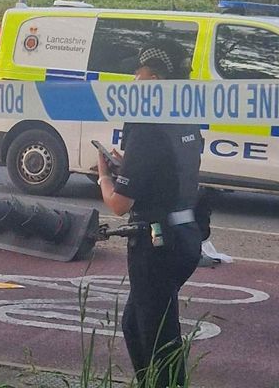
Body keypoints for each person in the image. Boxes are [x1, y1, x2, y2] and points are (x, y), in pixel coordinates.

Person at [97, 40, 203, 388]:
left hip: (155, 243)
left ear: (153, 78)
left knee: (157, 337)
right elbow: (165, 170)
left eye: (137, 73)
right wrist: (130, 166)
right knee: (136, 324)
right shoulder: (184, 119)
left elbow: (119, 204)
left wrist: (104, 176)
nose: (132, 80)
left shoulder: (146, 126)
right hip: (185, 235)